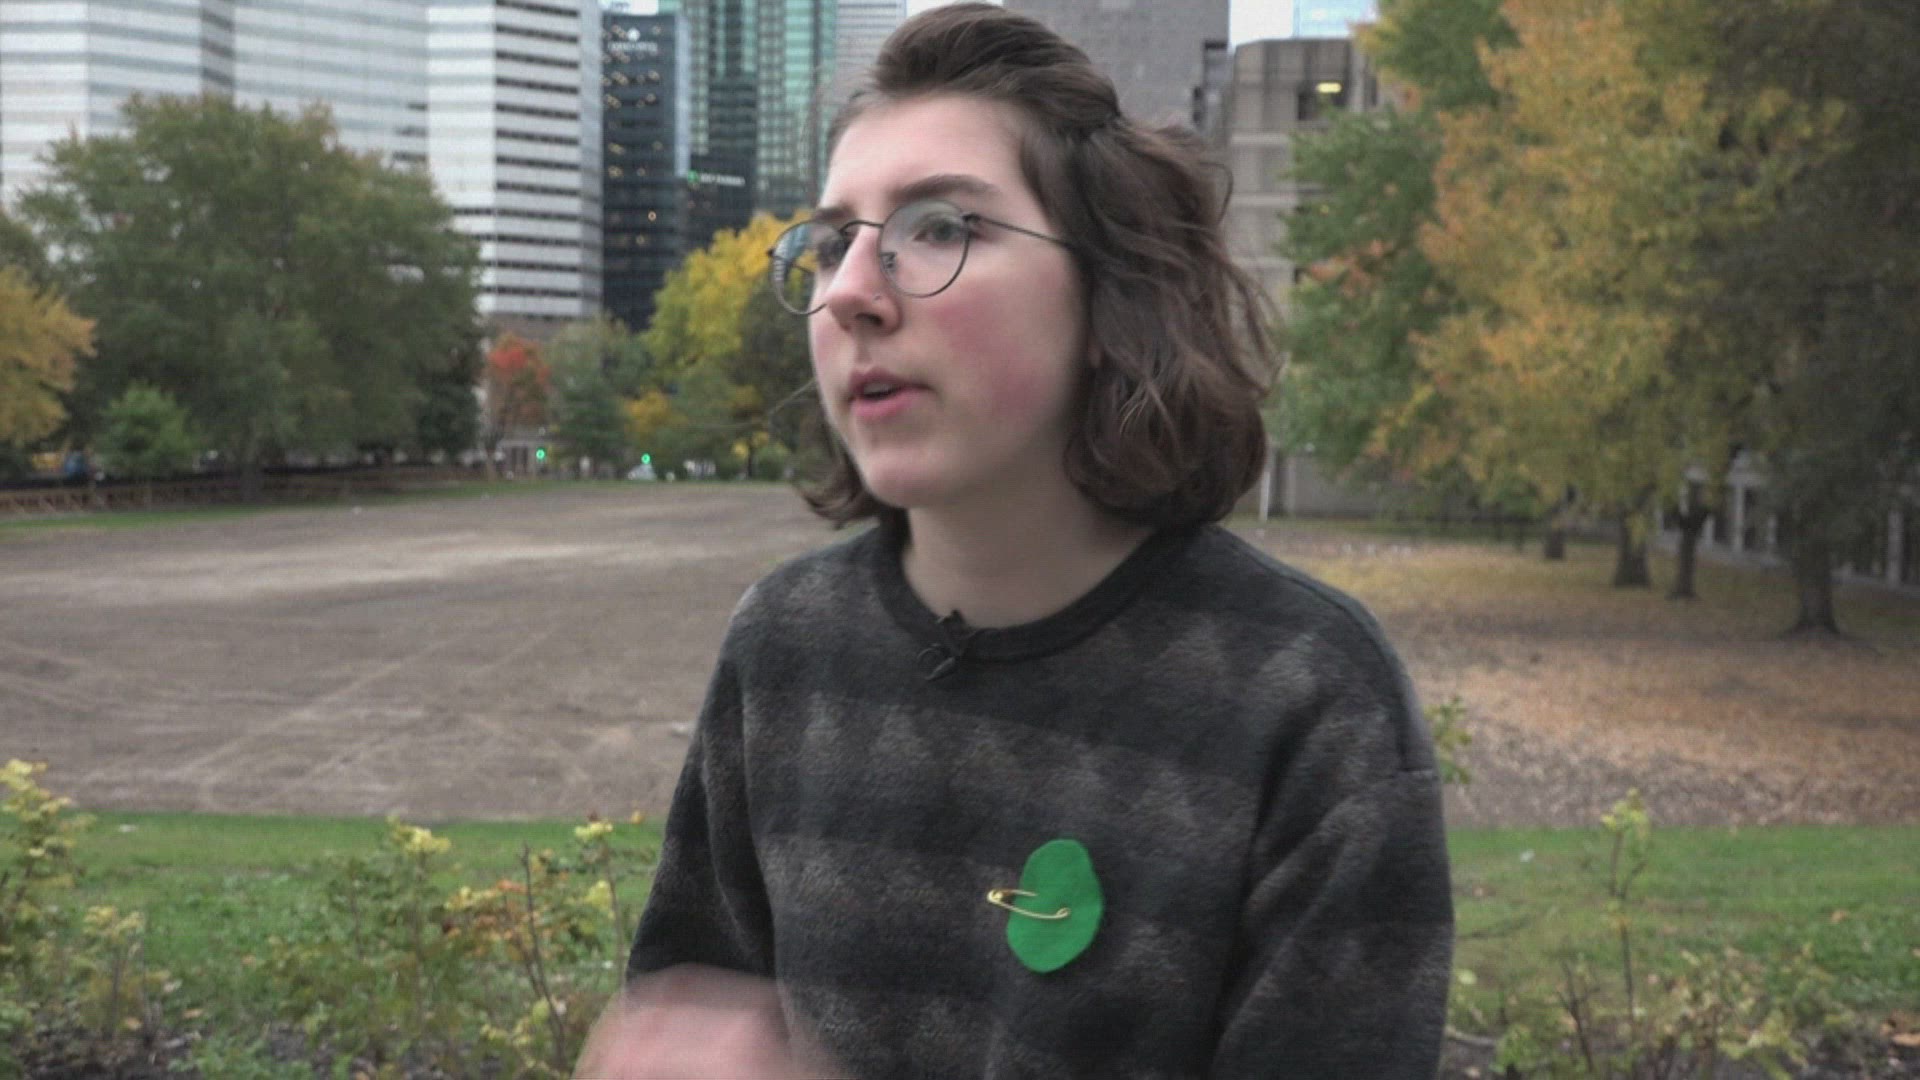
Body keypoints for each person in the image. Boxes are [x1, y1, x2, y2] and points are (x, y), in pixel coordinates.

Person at [576, 4, 1453, 1076]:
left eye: (940, 227)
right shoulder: (785, 647)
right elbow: (697, 1012)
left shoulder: (1307, 700)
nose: (850, 293)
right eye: (834, 242)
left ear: (1112, 296)